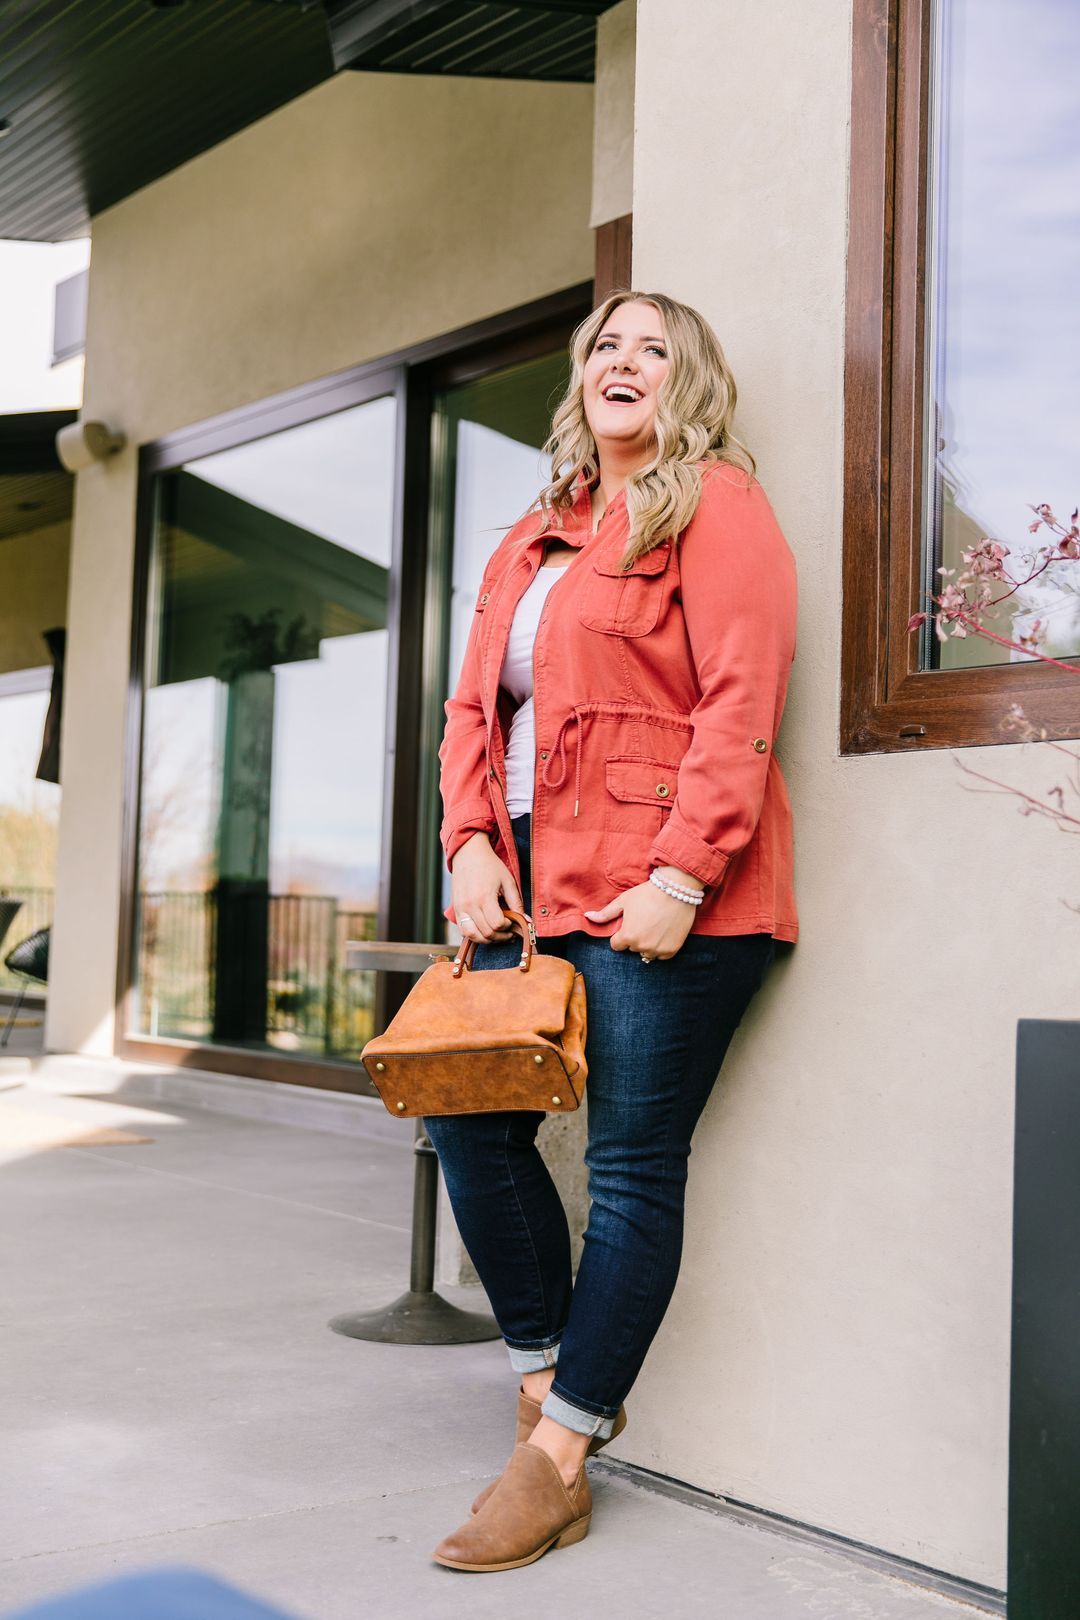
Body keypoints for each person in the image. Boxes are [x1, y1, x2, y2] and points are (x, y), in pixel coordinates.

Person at [425, 288, 798, 1572]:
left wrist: (686, 877)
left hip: (661, 899)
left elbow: (743, 699)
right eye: (605, 346)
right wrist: (468, 842)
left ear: (682, 384)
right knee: (465, 1119)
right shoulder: (530, 537)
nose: (622, 362)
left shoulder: (719, 509)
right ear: (581, 379)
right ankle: (543, 1385)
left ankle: (560, 1456)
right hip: (525, 894)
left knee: (634, 1170)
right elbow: (473, 710)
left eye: (653, 349)